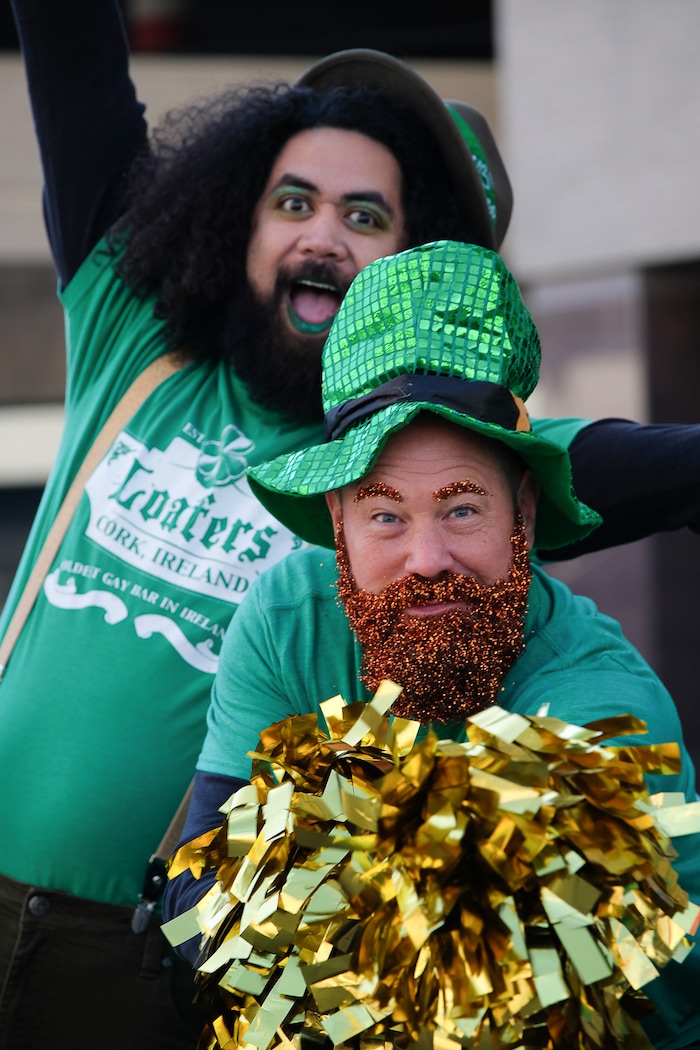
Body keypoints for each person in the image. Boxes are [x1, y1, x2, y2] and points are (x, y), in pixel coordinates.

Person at [2, 0, 699, 1045]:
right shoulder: (131, 340)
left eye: (366, 216)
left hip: (132, 975)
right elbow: (72, 66)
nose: (322, 234)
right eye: (292, 200)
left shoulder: (470, 439)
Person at [164, 241, 700, 1050]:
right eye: (385, 514)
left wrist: (309, 831)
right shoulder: (288, 617)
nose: (426, 561)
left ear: (522, 515)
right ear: (336, 525)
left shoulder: (603, 704)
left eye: (460, 510)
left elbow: (480, 1005)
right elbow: (197, 914)